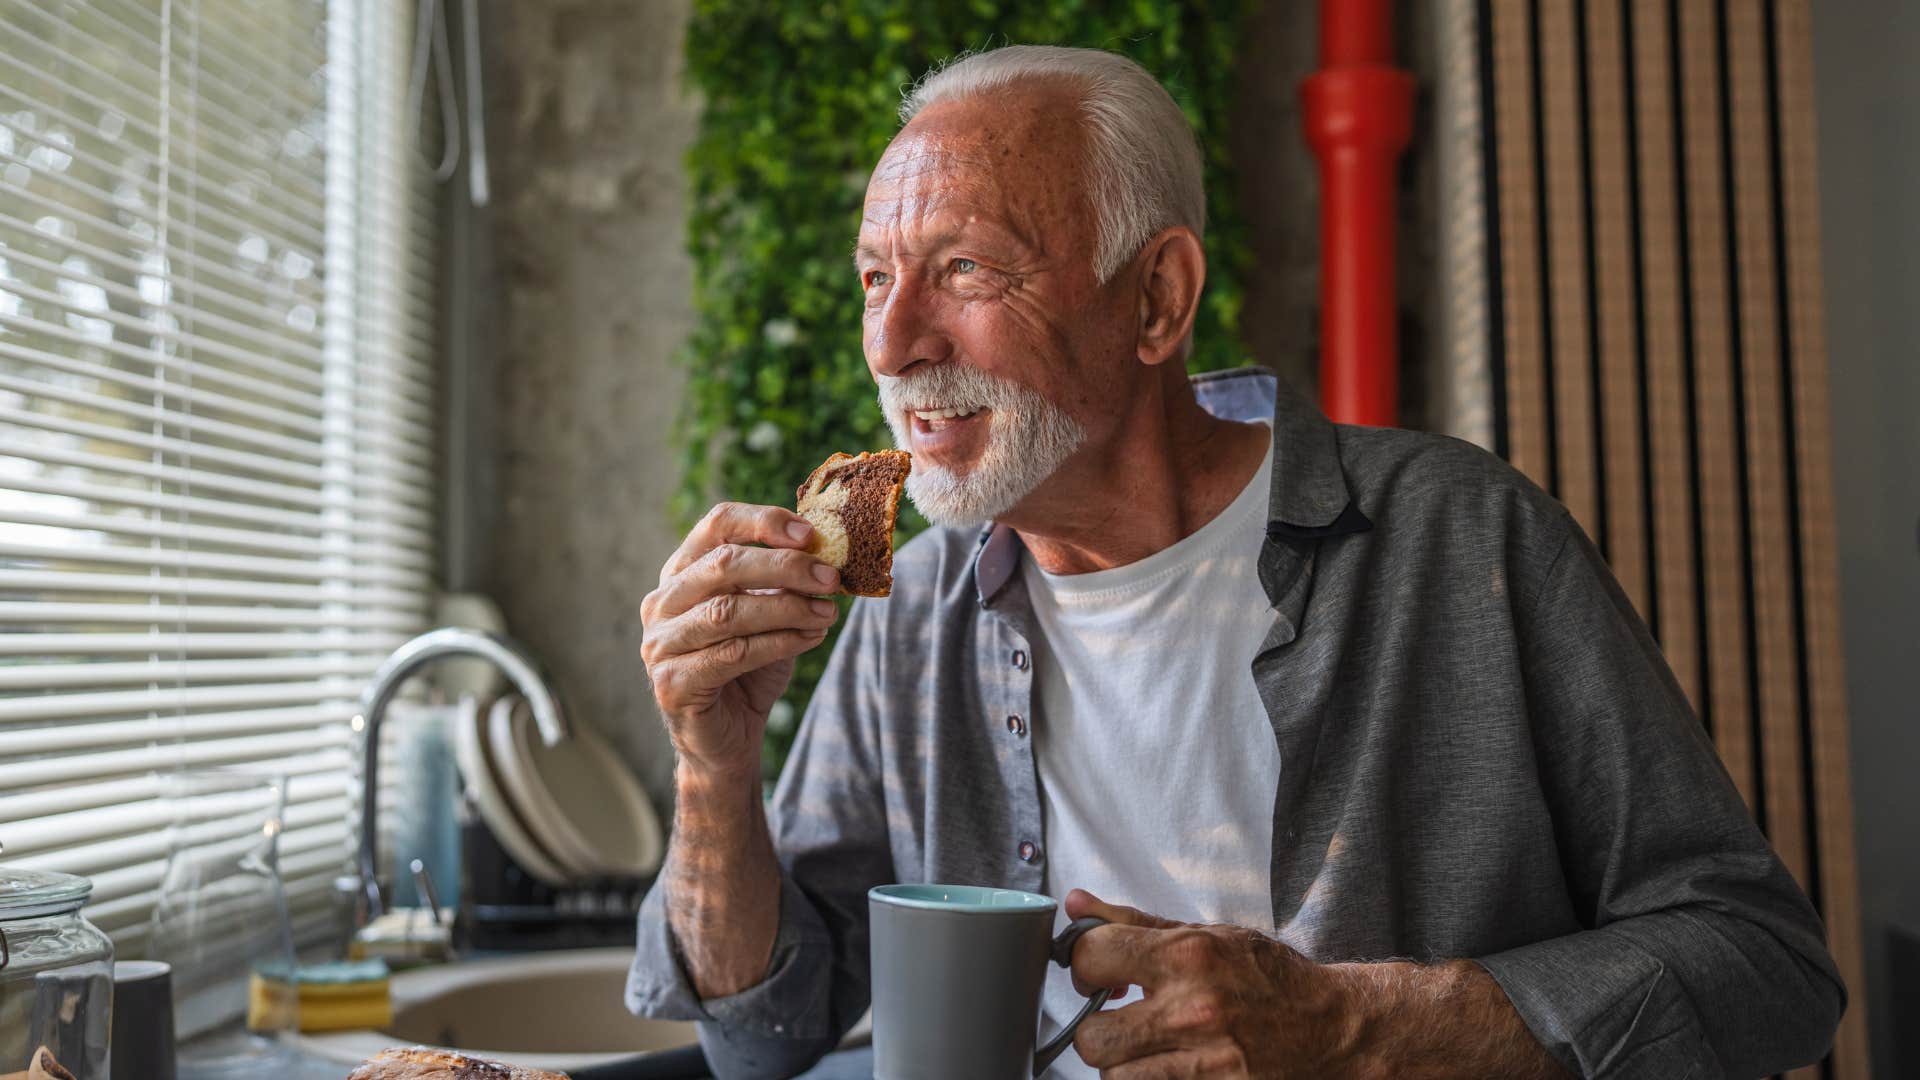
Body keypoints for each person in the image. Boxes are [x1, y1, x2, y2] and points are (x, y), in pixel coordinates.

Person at [625, 44, 1843, 1079]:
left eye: (965, 270)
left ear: (1157, 298)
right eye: (876, 278)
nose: (891, 343)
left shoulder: (1463, 538)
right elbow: (762, 1033)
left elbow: (1761, 966)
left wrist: (1355, 1028)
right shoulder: (915, 605)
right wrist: (711, 770)